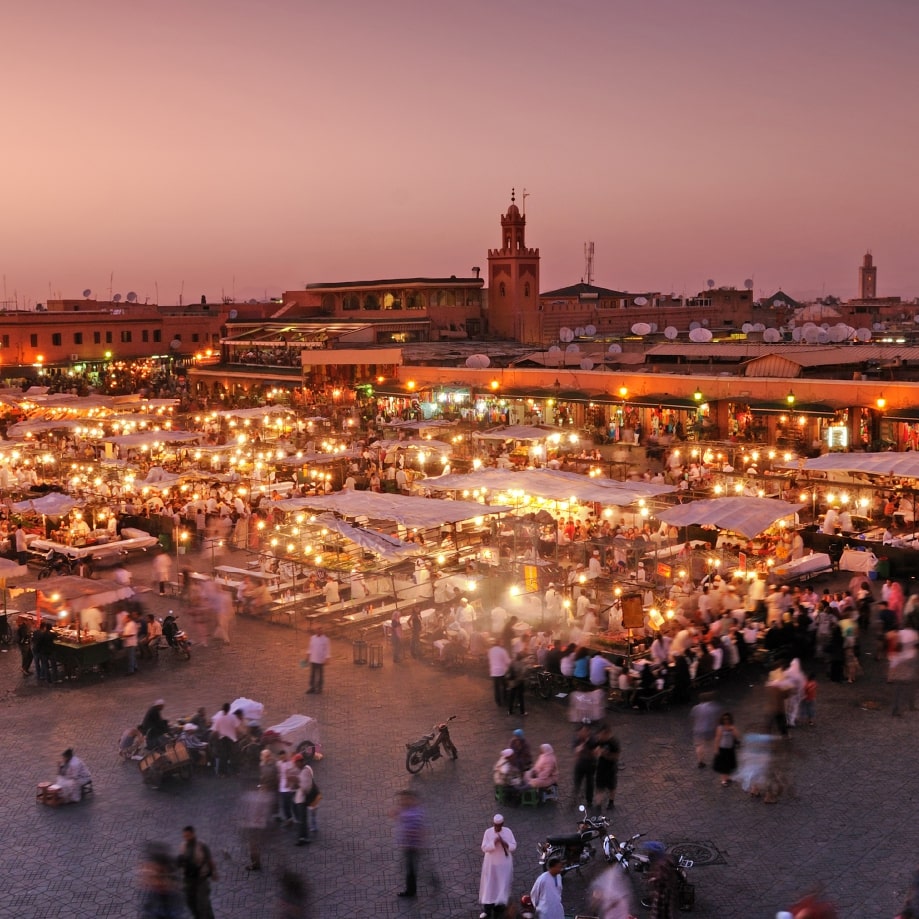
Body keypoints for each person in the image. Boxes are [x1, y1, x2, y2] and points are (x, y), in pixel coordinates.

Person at [478, 814, 517, 919]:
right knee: (490, 885)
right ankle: (487, 909)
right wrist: (493, 842)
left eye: (499, 826)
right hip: (491, 865)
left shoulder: (508, 831)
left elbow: (513, 846)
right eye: (495, 825)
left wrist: (506, 844)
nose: (497, 828)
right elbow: (484, 848)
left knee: (501, 885)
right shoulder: (488, 832)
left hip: (504, 865)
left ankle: (499, 906)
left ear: (502, 824)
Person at [176, 826, 217, 919]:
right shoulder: (183, 846)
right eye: (185, 836)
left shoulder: (202, 846)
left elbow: (209, 860)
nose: (187, 838)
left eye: (188, 835)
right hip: (188, 879)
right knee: (190, 902)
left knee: (203, 903)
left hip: (201, 878)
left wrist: (214, 872)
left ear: (193, 834)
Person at [393, 788, 427, 899]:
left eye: (404, 799)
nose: (402, 801)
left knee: (411, 870)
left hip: (412, 846)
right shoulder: (408, 809)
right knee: (411, 868)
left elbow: (417, 829)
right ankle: (413, 889)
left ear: (411, 799)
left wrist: (410, 836)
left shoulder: (415, 813)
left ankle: (410, 891)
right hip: (409, 845)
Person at [689, 692, 721, 768]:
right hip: (711, 729)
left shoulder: (695, 708)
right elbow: (718, 719)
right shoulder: (715, 707)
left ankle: (700, 761)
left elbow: (693, 718)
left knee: (699, 745)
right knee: (715, 744)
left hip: (698, 729)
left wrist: (694, 727)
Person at [530, 854, 565, 919]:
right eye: (558, 867)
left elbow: (559, 890)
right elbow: (534, 893)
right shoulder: (542, 879)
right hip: (544, 911)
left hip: (557, 908)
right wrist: (536, 906)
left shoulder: (559, 877)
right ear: (552, 867)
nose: (560, 869)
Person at [595, 724, 621, 809]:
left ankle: (611, 803)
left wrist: (605, 754)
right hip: (601, 767)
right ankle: (598, 805)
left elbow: (616, 756)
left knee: (611, 786)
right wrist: (597, 752)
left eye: (601, 735)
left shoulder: (614, 743)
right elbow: (596, 751)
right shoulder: (599, 741)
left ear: (607, 734)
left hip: (611, 769)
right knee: (599, 786)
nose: (599, 737)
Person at [293, 754, 316, 846]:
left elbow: (306, 788)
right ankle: (303, 837)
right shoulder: (303, 770)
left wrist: (297, 784)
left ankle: (303, 838)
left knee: (302, 819)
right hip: (299, 799)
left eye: (296, 763)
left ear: (300, 762)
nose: (295, 765)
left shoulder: (305, 771)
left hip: (302, 800)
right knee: (302, 819)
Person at [713, 712, 740, 787]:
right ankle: (723, 780)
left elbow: (737, 735)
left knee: (729, 764)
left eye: (727, 718)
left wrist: (733, 729)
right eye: (724, 719)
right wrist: (716, 749)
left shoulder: (732, 727)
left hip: (730, 749)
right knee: (723, 765)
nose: (726, 720)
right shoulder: (720, 728)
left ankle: (727, 777)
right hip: (723, 749)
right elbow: (717, 739)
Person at [306, 625, 330, 694]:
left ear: (322, 631)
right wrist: (307, 657)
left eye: (320, 630)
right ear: (316, 631)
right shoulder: (312, 638)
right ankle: (312, 687)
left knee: (320, 674)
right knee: (312, 674)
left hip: (320, 660)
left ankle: (319, 688)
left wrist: (327, 658)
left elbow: (327, 650)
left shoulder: (325, 639)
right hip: (313, 659)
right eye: (318, 630)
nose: (319, 631)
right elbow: (310, 648)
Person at [488, 640, 511, 707]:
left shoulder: (490, 650)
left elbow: (490, 659)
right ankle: (505, 699)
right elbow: (507, 661)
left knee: (496, 687)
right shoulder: (502, 650)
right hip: (502, 671)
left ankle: (498, 702)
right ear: (500, 644)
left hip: (494, 671)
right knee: (504, 685)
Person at [505, 651, 527, 716]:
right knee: (521, 697)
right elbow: (523, 673)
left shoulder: (512, 662)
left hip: (513, 682)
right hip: (519, 682)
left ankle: (510, 711)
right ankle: (522, 712)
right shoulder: (522, 664)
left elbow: (508, 671)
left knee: (512, 697)